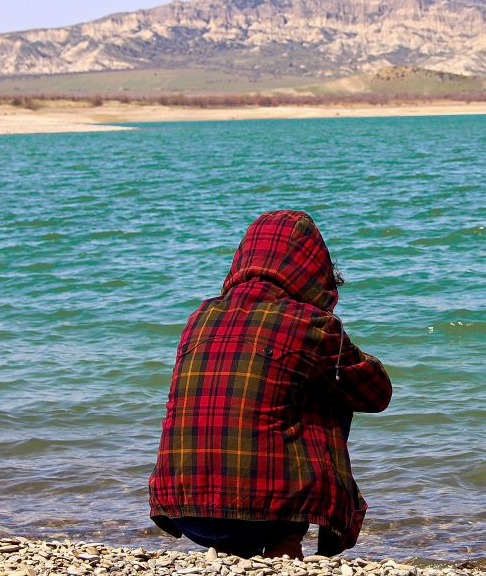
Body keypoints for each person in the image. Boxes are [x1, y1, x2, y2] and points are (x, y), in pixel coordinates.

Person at [148, 210, 392, 558]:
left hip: (182, 508)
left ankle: (237, 549)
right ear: (312, 267)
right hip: (262, 513)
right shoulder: (310, 324)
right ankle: (285, 544)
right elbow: (377, 393)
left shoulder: (199, 317)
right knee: (332, 393)